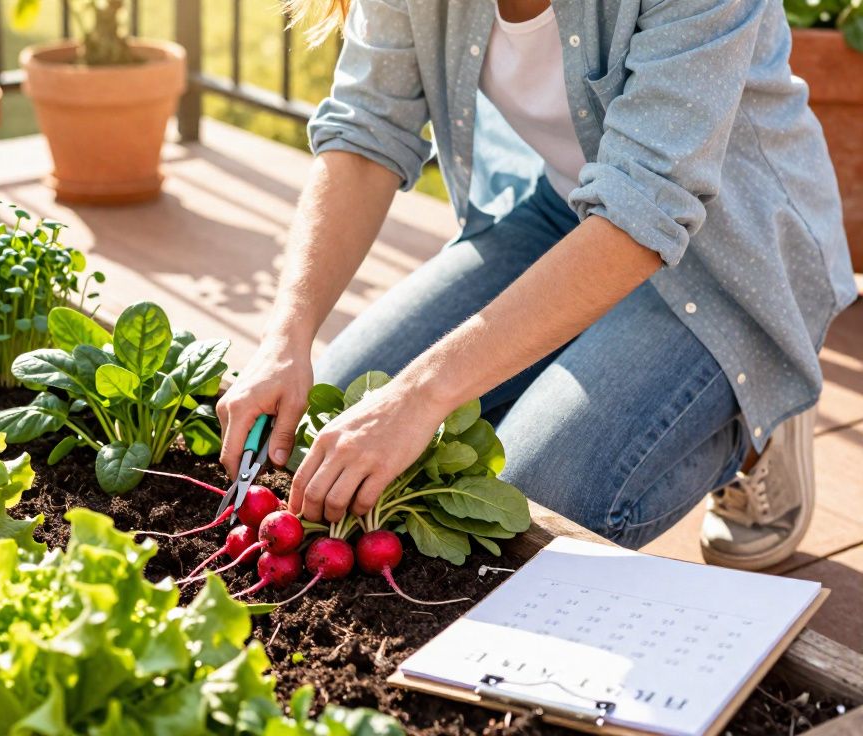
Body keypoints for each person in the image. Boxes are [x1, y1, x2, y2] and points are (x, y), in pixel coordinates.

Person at [217, 0, 856, 569]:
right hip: (569, 212)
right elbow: (365, 130)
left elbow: (643, 207)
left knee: (531, 500)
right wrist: (287, 333)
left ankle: (761, 399)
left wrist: (420, 397)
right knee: (333, 408)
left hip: (731, 258)